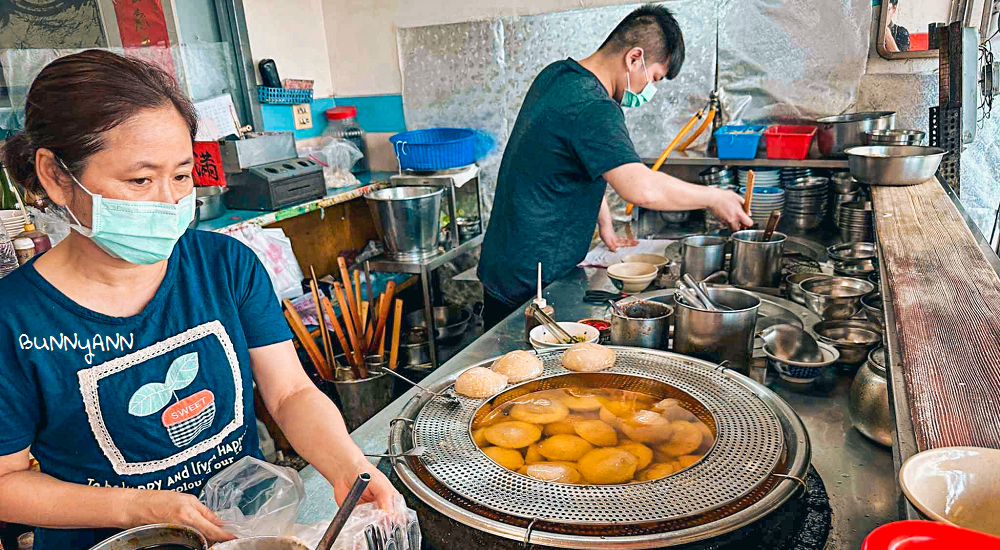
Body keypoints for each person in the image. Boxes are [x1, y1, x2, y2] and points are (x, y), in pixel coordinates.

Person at [0, 50, 398, 549]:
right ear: (58, 176)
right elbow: (6, 483)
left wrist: (348, 466)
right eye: (140, 180)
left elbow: (290, 393)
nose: (170, 201)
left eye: (183, 174)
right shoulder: (12, 320)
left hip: (244, 533)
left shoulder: (224, 266)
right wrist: (143, 507)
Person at [477, 5, 753, 329]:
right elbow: (640, 187)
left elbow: (572, 161)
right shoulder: (594, 107)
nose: (648, 91)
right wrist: (714, 196)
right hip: (530, 286)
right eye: (654, 79)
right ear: (634, 58)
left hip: (505, 262)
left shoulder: (557, 76)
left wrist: (604, 223)